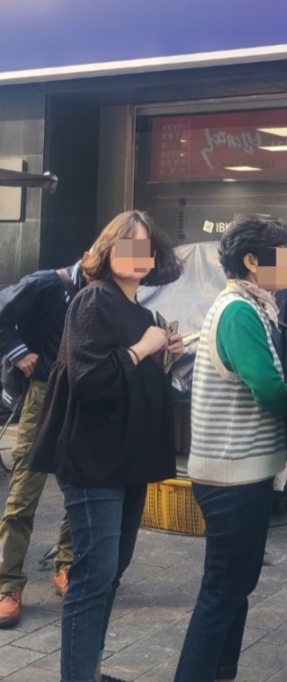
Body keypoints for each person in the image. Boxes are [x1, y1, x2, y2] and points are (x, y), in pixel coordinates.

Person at [29, 210, 184, 682]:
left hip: (128, 459)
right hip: (93, 459)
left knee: (111, 571)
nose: (137, 255)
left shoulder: (145, 315)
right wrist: (142, 349)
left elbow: (133, 386)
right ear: (107, 250)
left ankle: (89, 670)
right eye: (127, 245)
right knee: (93, 575)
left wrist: (162, 358)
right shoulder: (94, 300)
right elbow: (90, 380)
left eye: (145, 247)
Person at [175, 216, 287, 682]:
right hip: (233, 475)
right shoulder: (239, 312)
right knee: (222, 591)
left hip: (241, 471)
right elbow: (267, 388)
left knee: (235, 588)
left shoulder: (251, 306)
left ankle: (220, 673)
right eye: (281, 253)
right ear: (252, 260)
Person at [0, 261, 86, 627]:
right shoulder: (47, 284)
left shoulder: (114, 293)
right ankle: (7, 583)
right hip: (43, 391)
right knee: (24, 488)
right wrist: (18, 351)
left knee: (80, 484)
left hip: (85, 397)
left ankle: (66, 564)